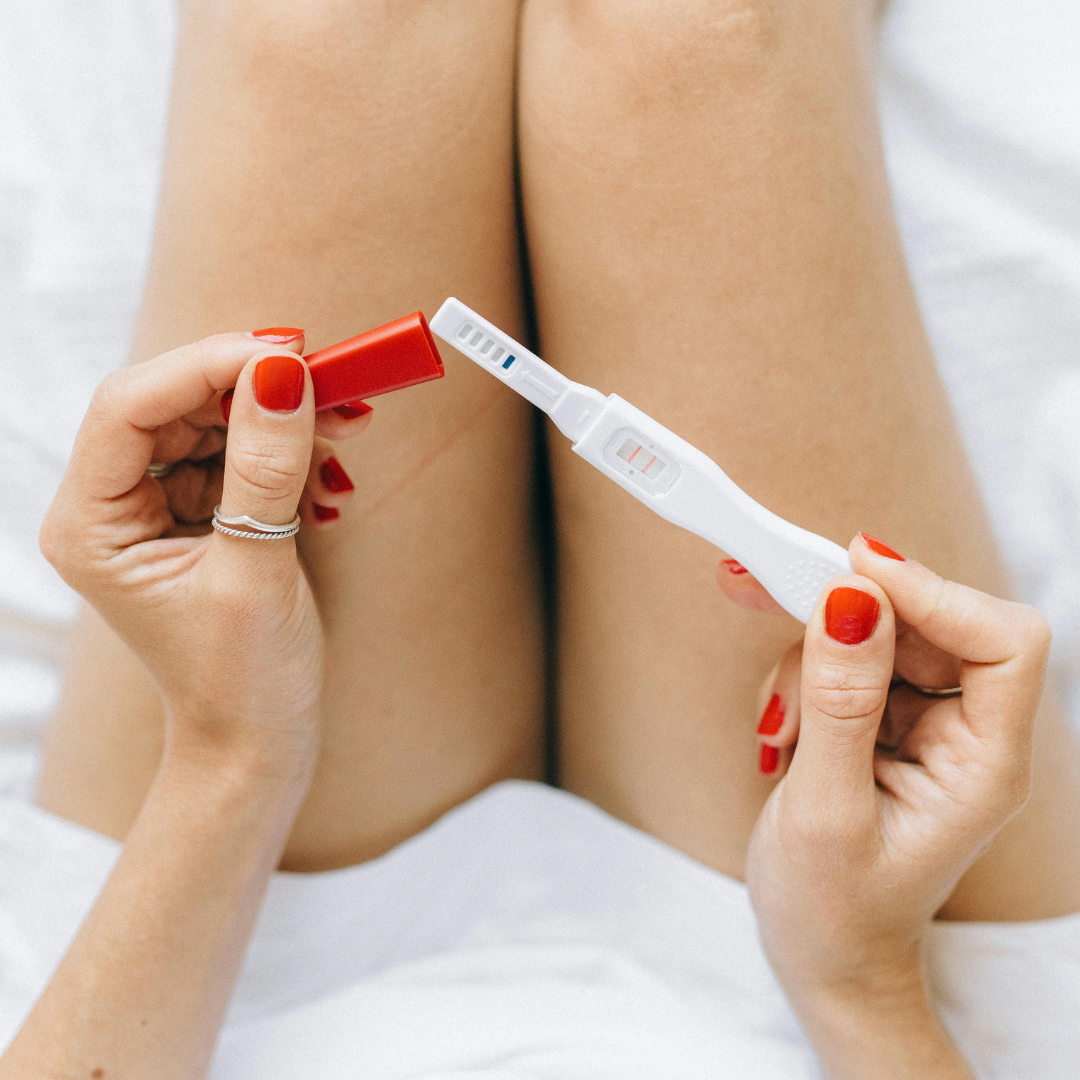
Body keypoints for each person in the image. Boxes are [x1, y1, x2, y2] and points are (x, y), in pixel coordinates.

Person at [0, 333, 1051, 1077]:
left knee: (332, 31)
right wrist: (859, 975)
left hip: (200, 959)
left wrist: (234, 748)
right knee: (700, 40)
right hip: (840, 977)